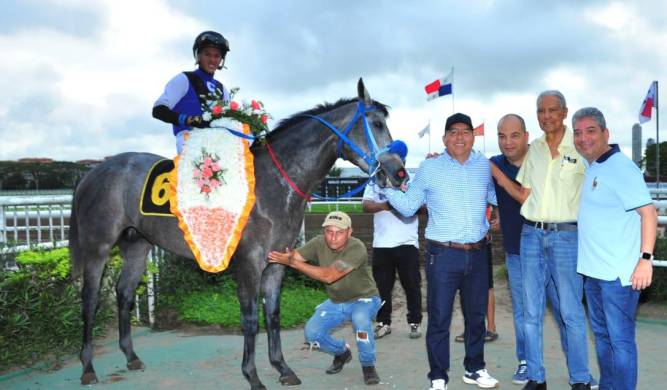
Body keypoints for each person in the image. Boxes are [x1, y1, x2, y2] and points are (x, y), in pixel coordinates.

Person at [384, 113, 499, 390]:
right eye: (453, 132)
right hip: (443, 255)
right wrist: (385, 187)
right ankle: (438, 376)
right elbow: (410, 206)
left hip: (478, 252)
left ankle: (474, 368)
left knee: (476, 316)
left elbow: (496, 198)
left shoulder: (484, 166)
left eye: (465, 131)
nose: (460, 136)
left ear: (473, 136)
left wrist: (498, 216)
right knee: (439, 317)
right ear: (445, 138)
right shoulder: (429, 167)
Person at [491, 91, 593, 390]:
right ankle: (536, 377)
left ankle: (581, 379)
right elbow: (523, 195)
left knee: (571, 313)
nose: (546, 116)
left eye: (552, 110)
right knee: (531, 312)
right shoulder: (534, 149)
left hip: (567, 237)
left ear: (564, 112)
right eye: (541, 111)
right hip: (531, 236)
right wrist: (496, 174)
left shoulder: (581, 146)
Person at [573, 107, 656, 390]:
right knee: (603, 336)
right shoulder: (594, 166)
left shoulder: (620, 166)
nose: (583, 138)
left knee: (620, 341)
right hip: (593, 272)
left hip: (618, 276)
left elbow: (649, 213)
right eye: (578, 133)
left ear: (605, 133)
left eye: (590, 131)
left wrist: (645, 259)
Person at [268, 211, 382, 386]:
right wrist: (277, 255)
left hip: (364, 299)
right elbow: (294, 256)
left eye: (339, 232)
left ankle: (368, 365)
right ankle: (342, 352)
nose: (333, 237)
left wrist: (293, 263)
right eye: (329, 231)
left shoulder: (356, 248)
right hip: (337, 301)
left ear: (349, 232)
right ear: (324, 231)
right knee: (312, 333)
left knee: (361, 322)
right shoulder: (318, 243)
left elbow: (329, 276)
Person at [362, 156, 423, 340]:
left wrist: (406, 207)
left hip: (407, 243)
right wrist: (386, 205)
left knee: (412, 285)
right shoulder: (376, 180)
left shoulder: (412, 180)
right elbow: (365, 205)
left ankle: (415, 322)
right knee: (382, 288)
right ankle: (383, 323)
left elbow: (423, 207)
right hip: (381, 244)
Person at [153, 30, 231, 154]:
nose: (212, 60)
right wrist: (189, 120)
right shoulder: (184, 79)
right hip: (189, 140)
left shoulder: (223, 89)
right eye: (207, 54)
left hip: (217, 143)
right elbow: (158, 110)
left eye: (217, 56)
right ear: (198, 55)